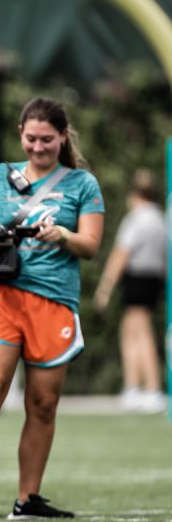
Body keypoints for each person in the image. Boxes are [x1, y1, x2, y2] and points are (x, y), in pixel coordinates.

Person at [0, 97, 104, 521]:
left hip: (53, 299)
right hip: (2, 295)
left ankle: (28, 497)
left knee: (43, 402)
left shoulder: (81, 185)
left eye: (48, 140)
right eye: (32, 139)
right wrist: (1, 231)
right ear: (21, 134)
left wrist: (61, 235)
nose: (38, 147)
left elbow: (91, 244)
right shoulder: (1, 176)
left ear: (62, 137)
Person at [94, 168, 166, 413]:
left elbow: (121, 254)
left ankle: (150, 388)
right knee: (133, 330)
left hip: (137, 279)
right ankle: (135, 386)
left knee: (138, 331)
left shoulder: (136, 218)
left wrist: (105, 288)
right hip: (154, 280)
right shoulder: (160, 218)